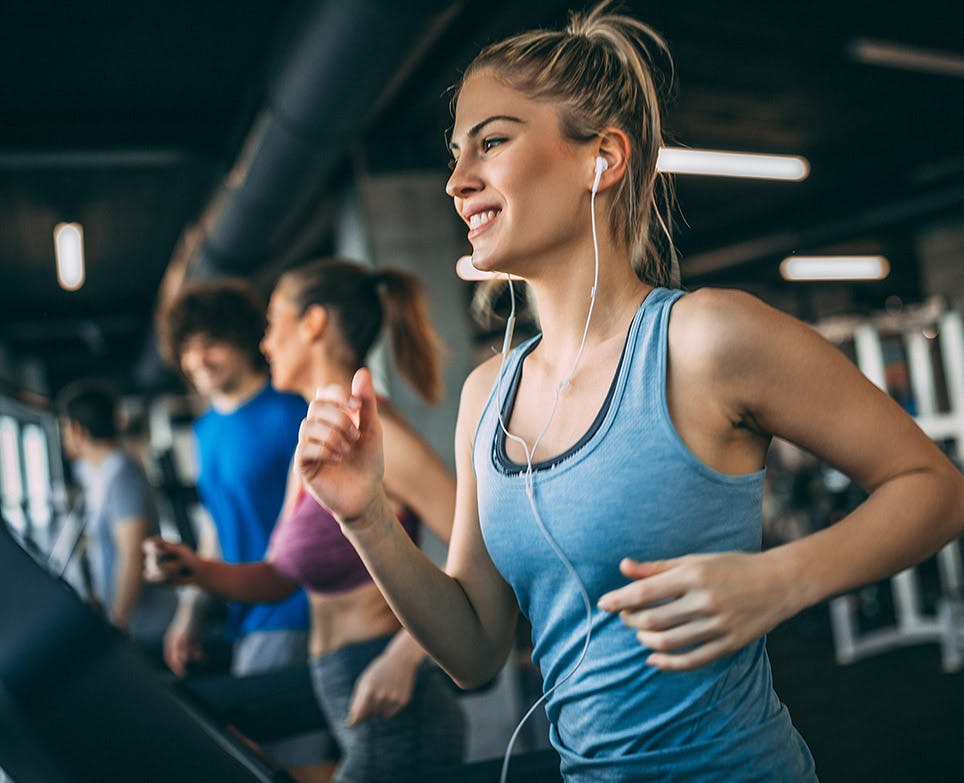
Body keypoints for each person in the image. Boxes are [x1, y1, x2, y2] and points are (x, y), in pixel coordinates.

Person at [290, 5, 964, 782]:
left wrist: (783, 578)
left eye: (492, 141)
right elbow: (475, 650)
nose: (456, 179)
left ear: (601, 157)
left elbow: (935, 487)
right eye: (455, 152)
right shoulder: (487, 395)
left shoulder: (706, 340)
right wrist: (365, 516)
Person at [148, 259, 465, 783]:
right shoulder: (312, 439)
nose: (266, 343)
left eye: (273, 323)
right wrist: (193, 570)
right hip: (339, 687)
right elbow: (277, 578)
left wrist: (406, 657)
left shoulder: (374, 431)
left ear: (312, 324)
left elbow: (484, 550)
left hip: (391, 698)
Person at [157, 279, 323, 779]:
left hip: (296, 609)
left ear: (244, 339)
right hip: (242, 613)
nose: (198, 359)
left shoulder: (292, 410)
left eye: (211, 342)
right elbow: (217, 527)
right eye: (187, 349)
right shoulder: (206, 429)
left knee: (280, 764)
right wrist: (190, 611)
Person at [57, 380, 172, 641]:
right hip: (130, 623)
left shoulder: (121, 474)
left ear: (77, 430)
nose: (64, 437)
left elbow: (133, 555)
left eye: (64, 429)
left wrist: (118, 625)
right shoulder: (102, 474)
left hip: (145, 628)